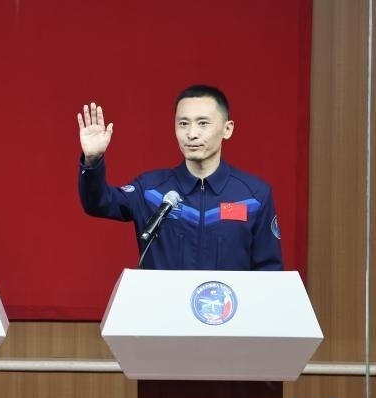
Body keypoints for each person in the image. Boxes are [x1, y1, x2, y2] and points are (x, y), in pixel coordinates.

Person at [76, 84, 282, 271]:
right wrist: (92, 161)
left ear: (227, 129)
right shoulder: (151, 190)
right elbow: (99, 203)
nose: (191, 134)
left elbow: (270, 271)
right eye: (183, 123)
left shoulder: (254, 196)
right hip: (163, 302)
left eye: (203, 123)